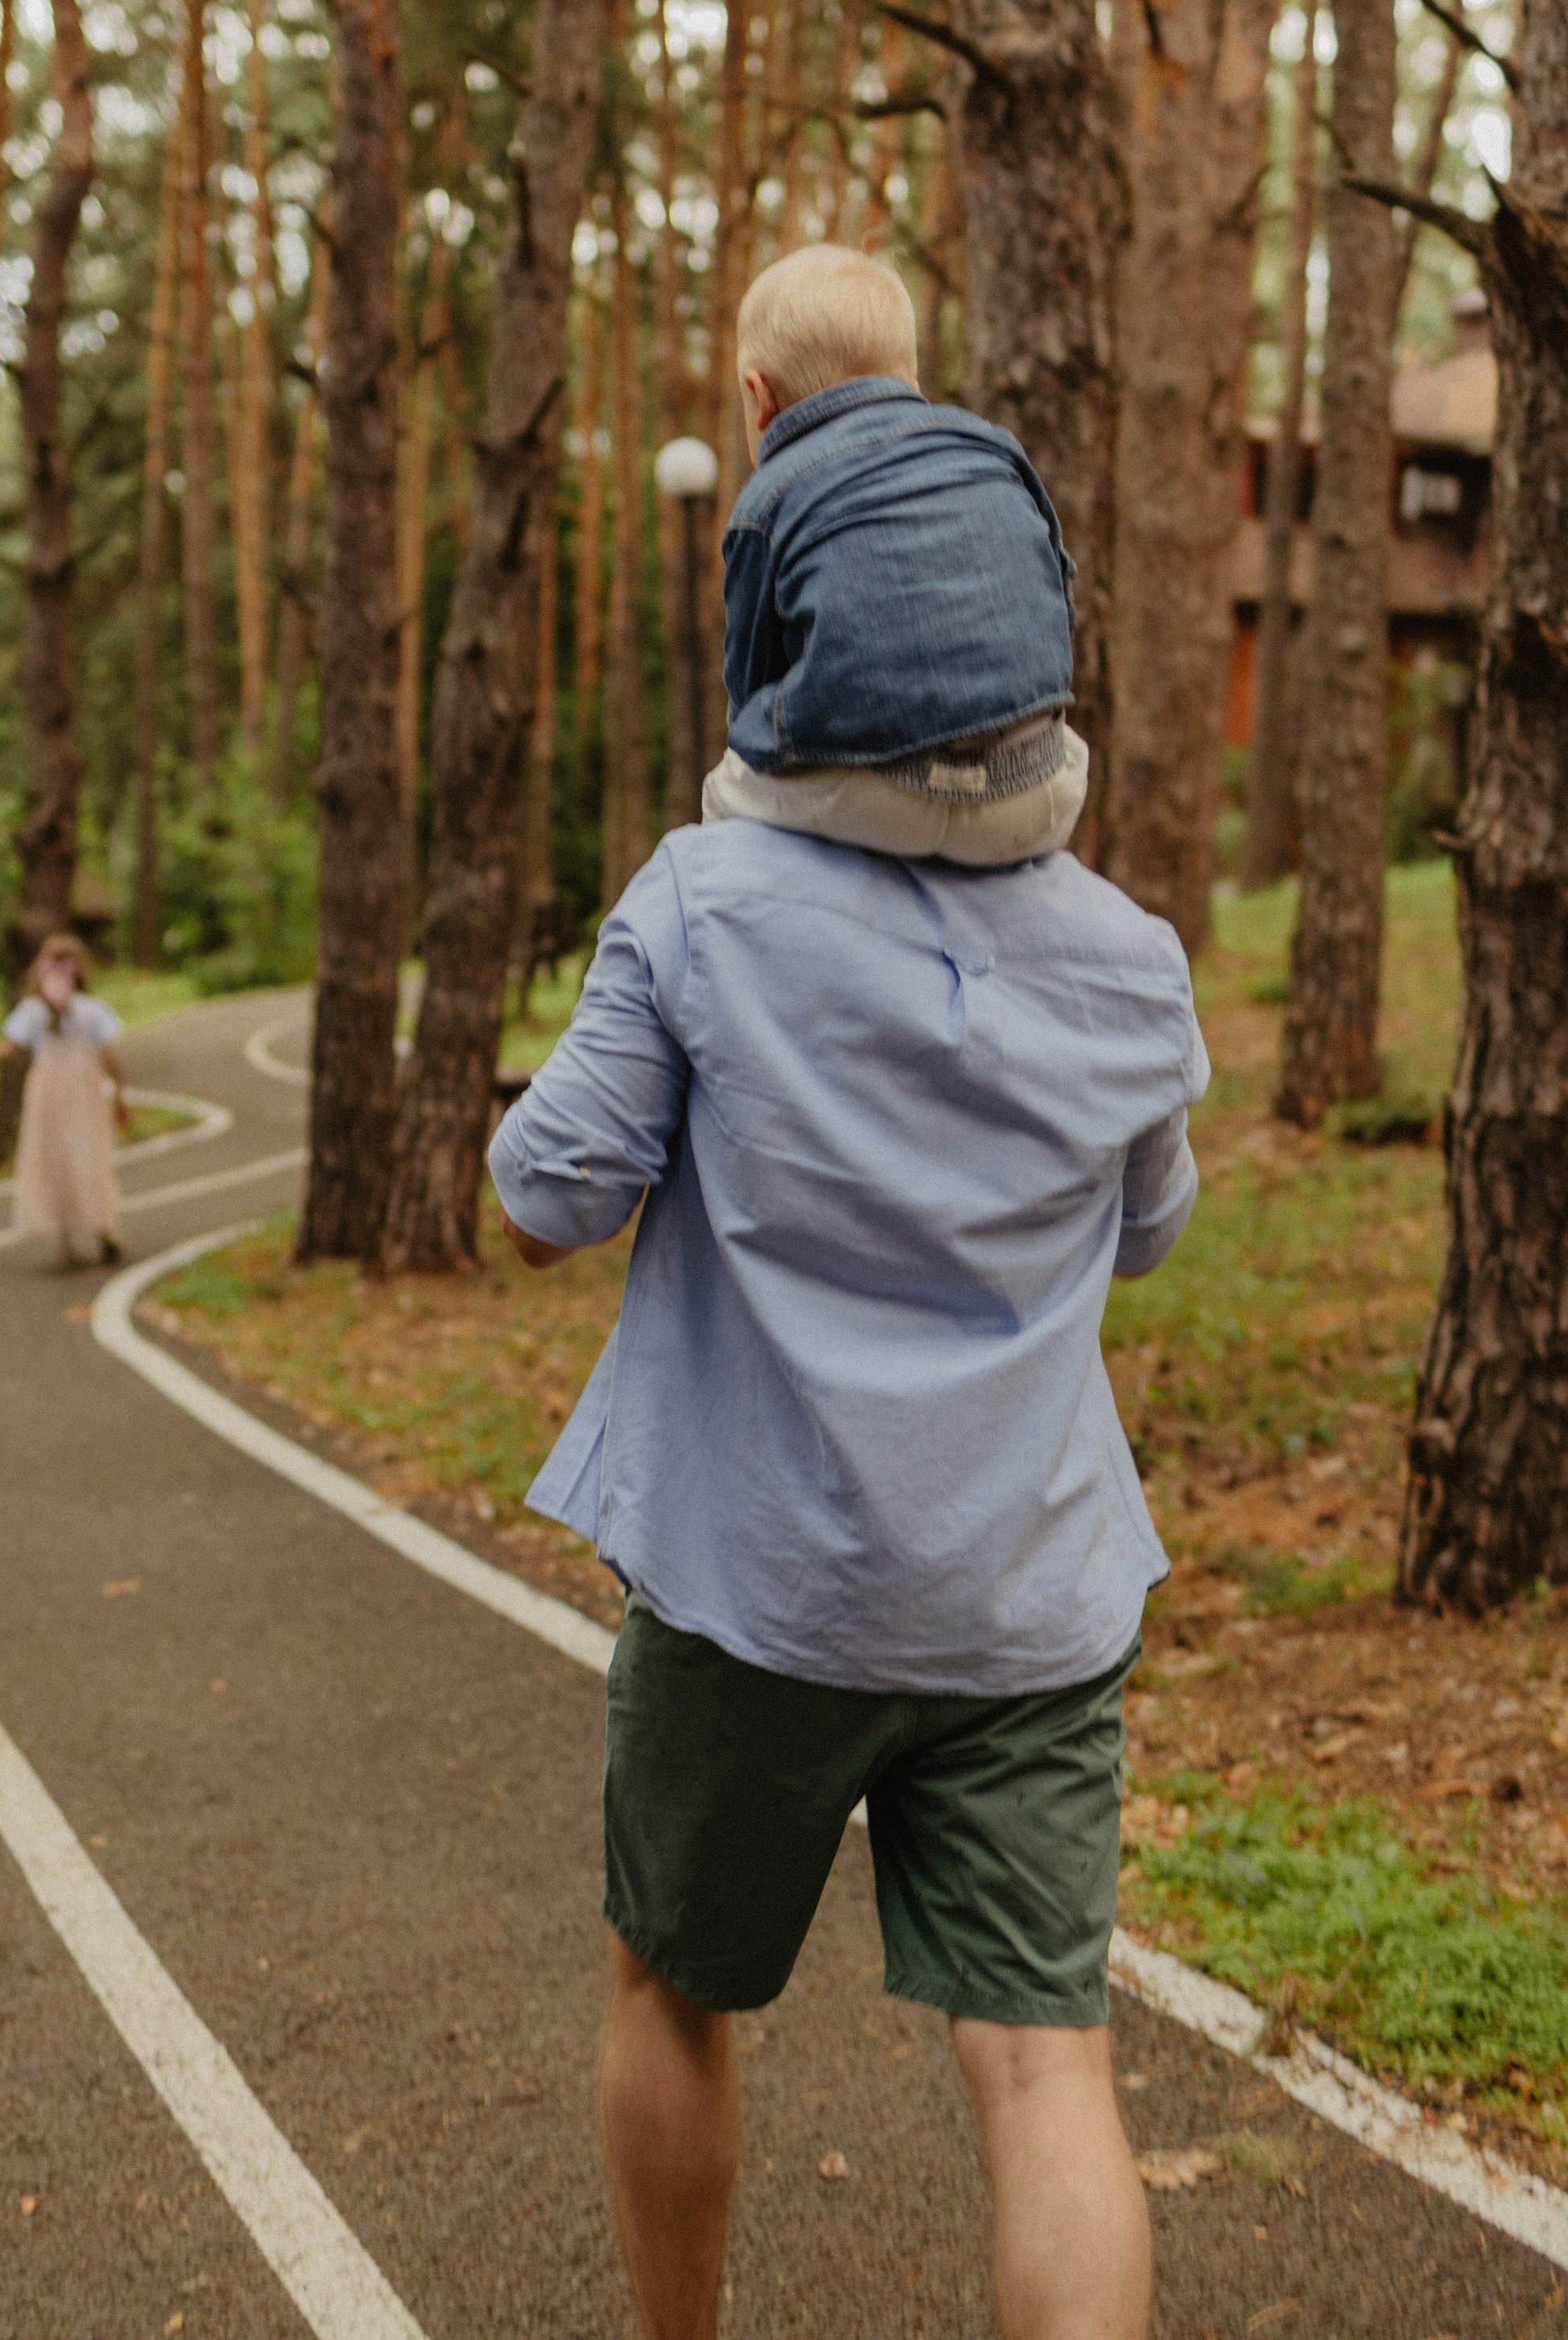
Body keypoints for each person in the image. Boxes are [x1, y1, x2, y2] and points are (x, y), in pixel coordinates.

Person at [486, 301, 1207, 2340]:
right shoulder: (1125, 959)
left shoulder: (700, 905)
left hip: (758, 1588)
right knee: (1046, 2065)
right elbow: (1143, 1230)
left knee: (669, 1986)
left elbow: (545, 1197)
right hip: (1027, 1595)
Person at [707, 244, 1090, 865]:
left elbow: (750, 684)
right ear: (909, 383)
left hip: (874, 804)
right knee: (1067, 747)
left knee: (727, 786)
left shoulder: (769, 499)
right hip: (1035, 797)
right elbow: (1058, 597)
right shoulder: (995, 451)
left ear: (760, 395)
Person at [0, 933, 131, 1270]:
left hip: (46, 1092)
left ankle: (68, 1241)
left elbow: (9, 1049)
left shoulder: (32, 1010)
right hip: (83, 1090)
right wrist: (119, 1093)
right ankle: (104, 1229)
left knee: (54, 1157)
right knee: (89, 1153)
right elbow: (109, 1056)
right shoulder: (91, 1010)